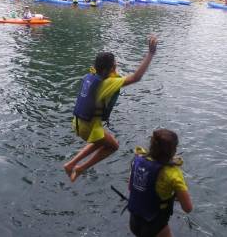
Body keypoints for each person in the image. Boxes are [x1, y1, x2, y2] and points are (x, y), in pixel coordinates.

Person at [64, 36, 158, 182]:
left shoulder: (92, 75)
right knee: (113, 146)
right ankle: (79, 167)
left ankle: (71, 164)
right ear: (109, 68)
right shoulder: (108, 83)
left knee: (103, 142)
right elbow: (136, 77)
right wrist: (151, 53)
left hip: (78, 123)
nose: (116, 65)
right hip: (89, 128)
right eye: (114, 64)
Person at [128, 129, 193, 237]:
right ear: (173, 150)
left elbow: (131, 188)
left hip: (134, 222)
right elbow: (188, 208)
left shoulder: (138, 160)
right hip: (155, 227)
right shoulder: (172, 174)